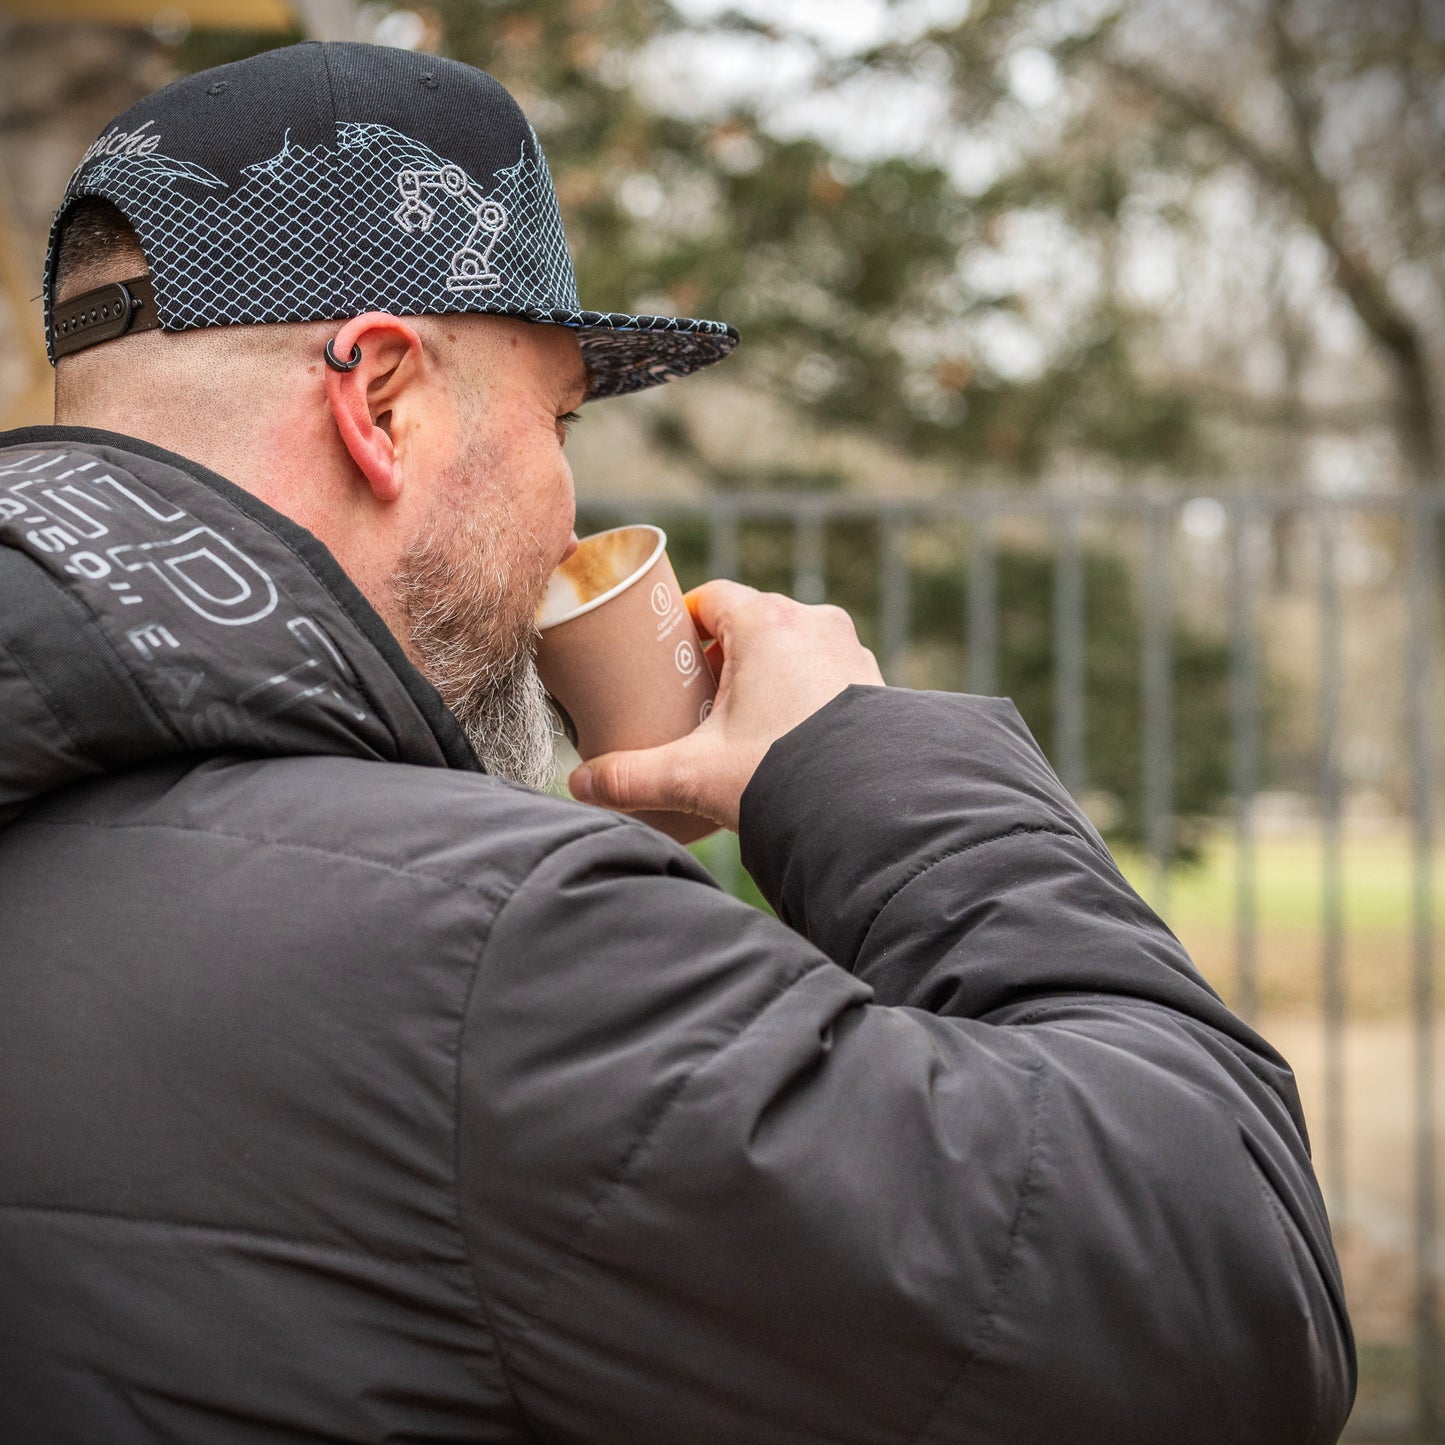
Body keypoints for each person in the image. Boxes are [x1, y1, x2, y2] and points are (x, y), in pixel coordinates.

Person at [0, 40, 1353, 1445]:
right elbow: (1221, 1292)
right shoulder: (495, 955)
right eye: (558, 419)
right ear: (381, 402)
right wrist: (862, 762)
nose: (567, 511)